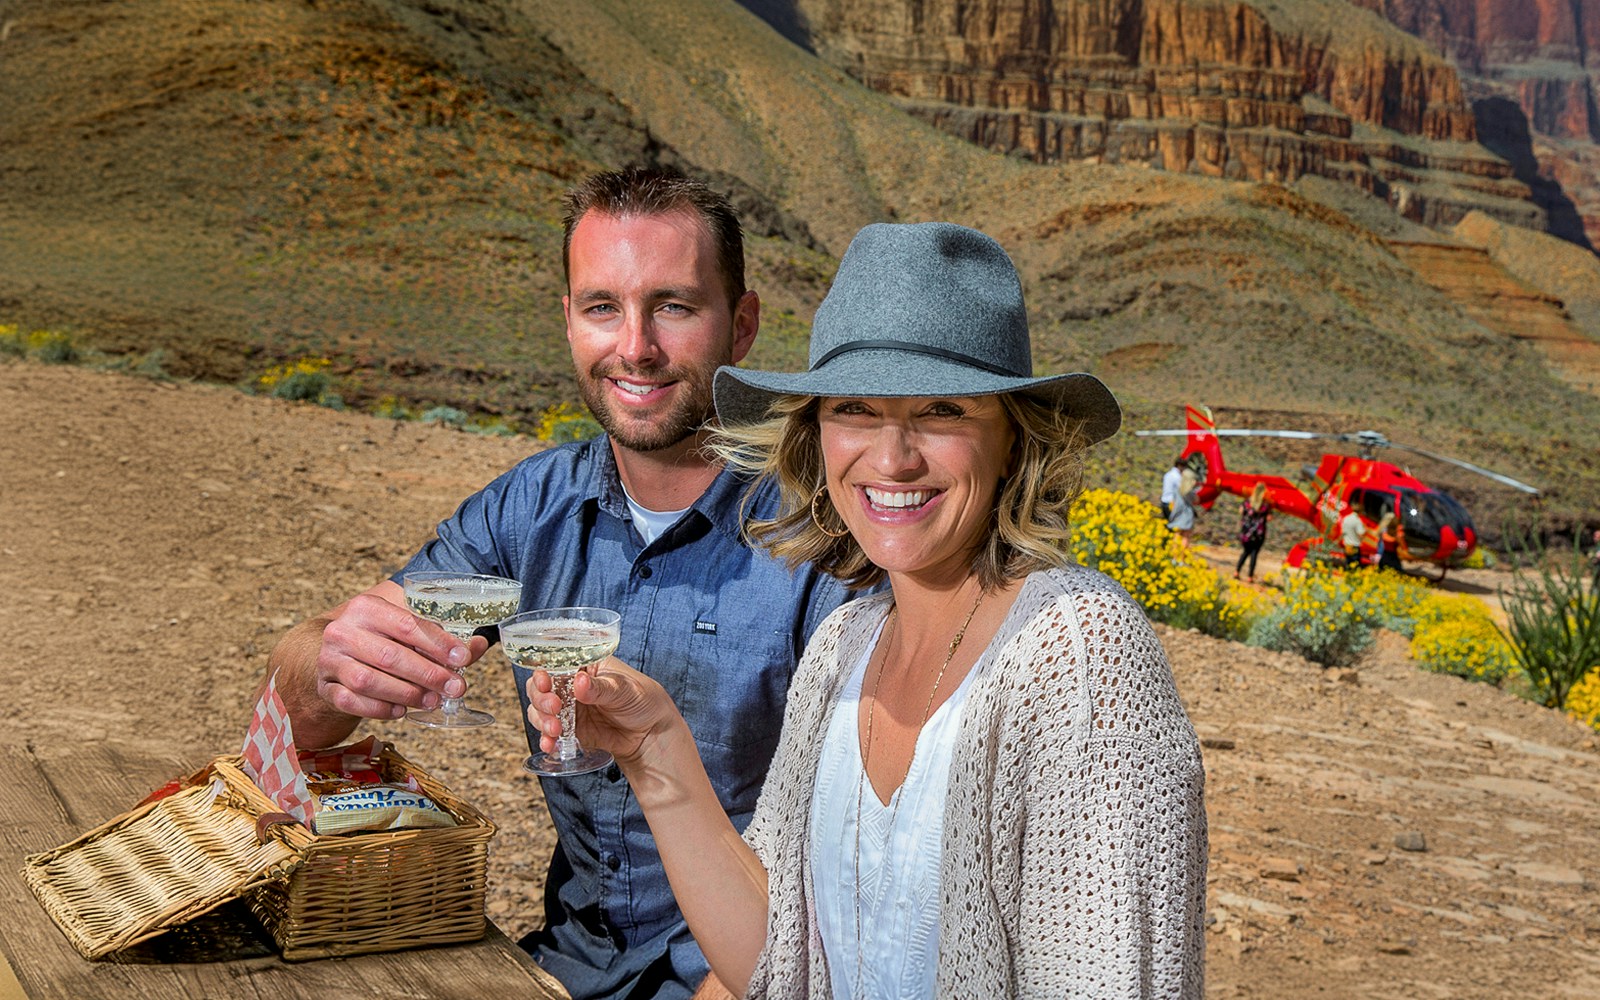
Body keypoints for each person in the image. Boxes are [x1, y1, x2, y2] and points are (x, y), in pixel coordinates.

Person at [529, 222, 1208, 998]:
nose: (892, 459)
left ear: (1015, 443)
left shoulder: (1079, 653)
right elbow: (775, 962)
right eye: (854, 407)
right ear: (815, 436)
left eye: (943, 411)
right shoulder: (845, 646)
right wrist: (655, 749)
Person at [263, 166, 854, 1000]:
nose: (636, 347)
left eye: (674, 306)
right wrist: (330, 662)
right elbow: (299, 717)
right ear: (569, 320)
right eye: (602, 307)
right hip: (560, 965)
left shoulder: (825, 541)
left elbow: (844, 879)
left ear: (743, 324)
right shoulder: (528, 508)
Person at [1235, 482, 1270, 581]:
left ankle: (1237, 571)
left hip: (1246, 532)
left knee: (1245, 552)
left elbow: (1241, 511)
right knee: (1254, 554)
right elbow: (1269, 518)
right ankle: (1250, 576)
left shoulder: (1247, 502)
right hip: (1258, 533)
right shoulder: (1265, 505)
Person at [1162, 455, 1197, 541]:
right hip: (1172, 504)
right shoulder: (1177, 477)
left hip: (1164, 502)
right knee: (1177, 529)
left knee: (1169, 526)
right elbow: (1184, 490)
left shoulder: (1168, 474)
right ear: (1180, 466)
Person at [1340, 503, 1366, 570]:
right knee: (1355, 566)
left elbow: (1342, 532)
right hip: (1354, 546)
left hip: (1347, 545)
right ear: (1360, 512)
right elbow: (1361, 534)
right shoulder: (1357, 521)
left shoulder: (1346, 518)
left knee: (1348, 564)